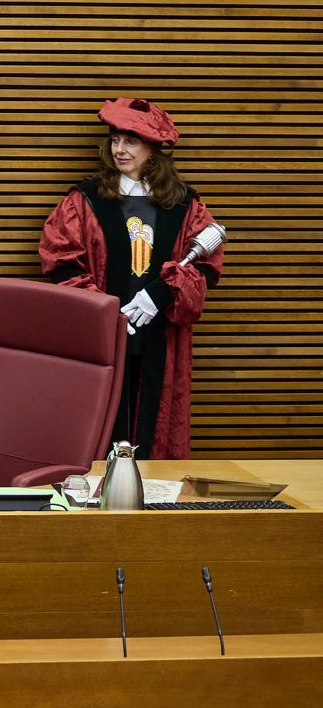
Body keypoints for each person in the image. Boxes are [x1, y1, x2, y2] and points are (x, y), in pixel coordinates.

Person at [39, 97, 223, 459]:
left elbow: (204, 267)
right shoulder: (85, 200)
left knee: (151, 432)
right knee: (99, 433)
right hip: (102, 338)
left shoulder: (185, 205)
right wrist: (106, 311)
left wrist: (159, 294)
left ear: (154, 149)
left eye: (131, 140)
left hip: (161, 339)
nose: (120, 149)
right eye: (115, 139)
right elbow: (61, 262)